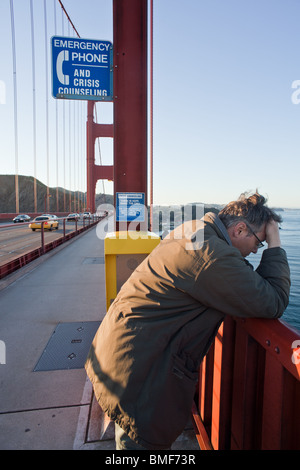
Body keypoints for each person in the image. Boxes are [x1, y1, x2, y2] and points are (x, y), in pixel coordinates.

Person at [85, 191, 290, 450]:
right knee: (137, 443)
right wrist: (275, 242)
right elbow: (275, 301)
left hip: (122, 354)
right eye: (258, 243)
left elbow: (243, 279)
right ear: (239, 229)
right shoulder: (211, 256)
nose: (254, 251)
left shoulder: (195, 229)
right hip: (140, 375)